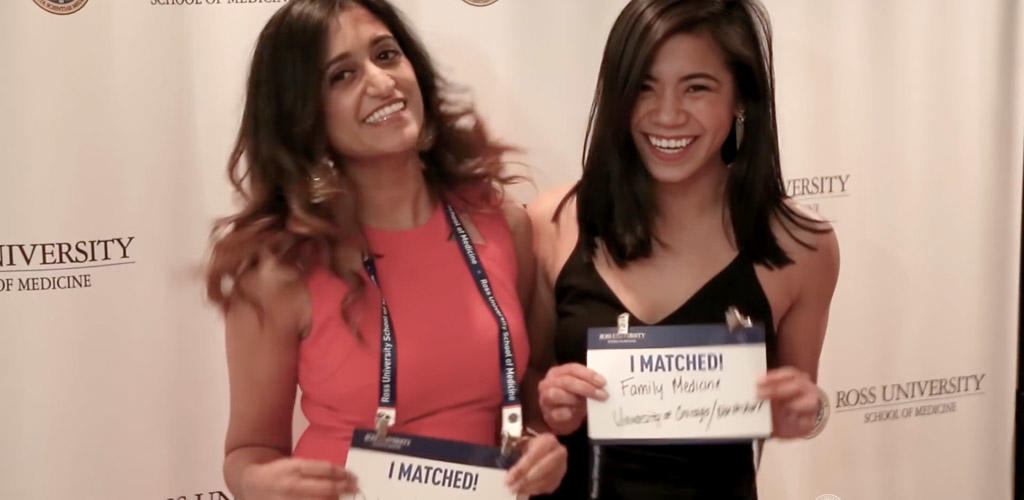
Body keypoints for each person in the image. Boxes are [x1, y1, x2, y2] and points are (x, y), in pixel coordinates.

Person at [205, 1, 566, 498]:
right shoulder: (278, 271)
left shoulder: (501, 223)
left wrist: (540, 442)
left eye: (387, 54)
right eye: (342, 75)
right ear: (302, 113)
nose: (380, 82)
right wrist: (259, 481)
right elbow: (247, 450)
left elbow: (523, 388)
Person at [527, 0, 840, 498]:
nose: (667, 115)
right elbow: (526, 397)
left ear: (742, 98)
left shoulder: (802, 248)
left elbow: (800, 407)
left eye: (697, 87)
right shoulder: (554, 222)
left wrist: (806, 410)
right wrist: (548, 406)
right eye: (644, 87)